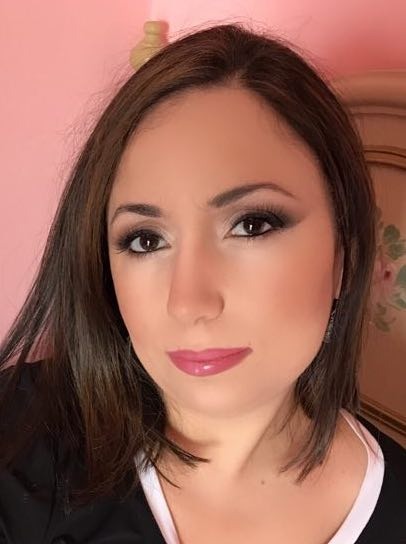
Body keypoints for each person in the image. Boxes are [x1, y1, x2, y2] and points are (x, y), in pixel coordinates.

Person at [0, 22, 405, 544]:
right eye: (145, 240)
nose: (188, 301)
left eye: (251, 225)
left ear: (342, 259)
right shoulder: (19, 435)